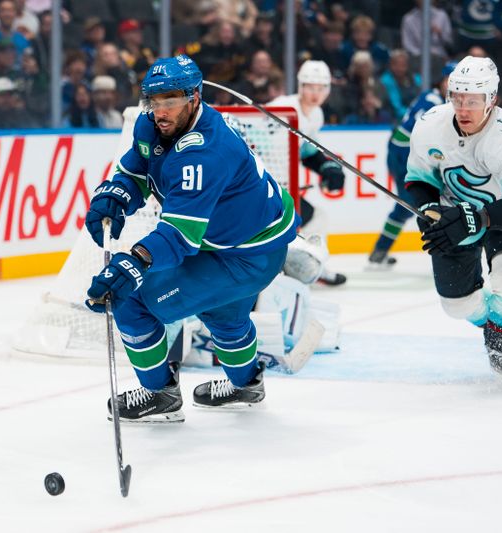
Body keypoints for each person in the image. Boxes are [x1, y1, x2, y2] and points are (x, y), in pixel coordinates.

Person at [84, 55, 299, 423]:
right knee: (224, 313)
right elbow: (137, 169)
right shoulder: (153, 125)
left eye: (171, 100)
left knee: (132, 299)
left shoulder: (204, 153)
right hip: (246, 240)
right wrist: (117, 193)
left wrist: (134, 263)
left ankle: (159, 393)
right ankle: (246, 384)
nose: (161, 111)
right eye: (154, 100)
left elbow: (180, 236)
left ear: (194, 98)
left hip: (246, 255)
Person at [406, 56, 502, 386]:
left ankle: (501, 351)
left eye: (473, 101)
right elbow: (418, 180)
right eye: (457, 98)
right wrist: (429, 210)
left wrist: (478, 217)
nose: (463, 109)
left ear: (491, 99)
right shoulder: (429, 126)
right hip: (454, 216)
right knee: (456, 304)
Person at [368, 61, 456, 268]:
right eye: (450, 81)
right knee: (417, 203)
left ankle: (379, 251)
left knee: (408, 205)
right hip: (406, 155)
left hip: (400, 150)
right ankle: (442, 249)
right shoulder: (437, 103)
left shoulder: (430, 96)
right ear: (442, 80)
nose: (453, 87)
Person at [269, 60, 348, 286]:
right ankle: (302, 266)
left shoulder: (315, 115)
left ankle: (311, 265)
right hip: (268, 185)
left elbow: (307, 151)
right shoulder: (283, 107)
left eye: (321, 88)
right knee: (309, 219)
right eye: (310, 87)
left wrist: (327, 167)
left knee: (315, 218)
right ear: (300, 86)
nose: (315, 93)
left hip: (284, 186)